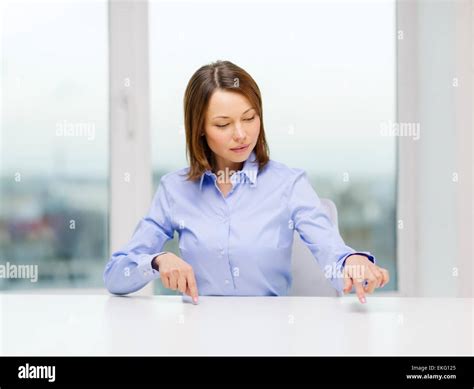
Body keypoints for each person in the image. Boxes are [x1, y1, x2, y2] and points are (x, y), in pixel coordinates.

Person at [103, 60, 389, 304]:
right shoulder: (174, 189)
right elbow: (116, 274)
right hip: (196, 339)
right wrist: (157, 261)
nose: (241, 134)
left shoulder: (289, 185)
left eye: (249, 118)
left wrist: (354, 266)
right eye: (223, 124)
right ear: (199, 129)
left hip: (271, 339)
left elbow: (334, 256)